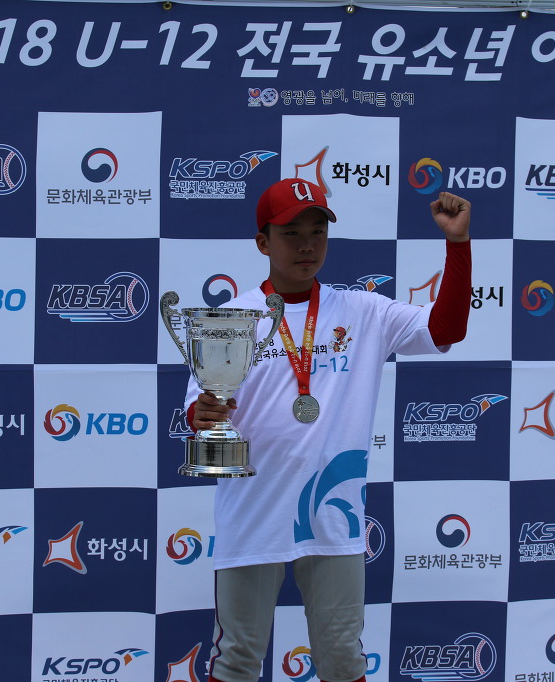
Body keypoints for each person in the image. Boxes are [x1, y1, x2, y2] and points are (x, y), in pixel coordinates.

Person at [185, 177, 472, 682]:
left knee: (342, 661)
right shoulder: (231, 319)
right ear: (263, 243)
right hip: (253, 514)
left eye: (317, 232)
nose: (307, 245)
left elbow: (447, 328)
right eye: (291, 233)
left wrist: (457, 244)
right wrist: (203, 414)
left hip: (333, 518)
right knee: (236, 662)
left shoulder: (364, 311)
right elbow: (200, 409)